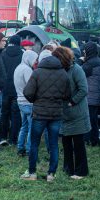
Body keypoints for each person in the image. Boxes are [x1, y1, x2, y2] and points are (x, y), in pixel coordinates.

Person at [21, 51, 71, 182]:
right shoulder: (63, 74)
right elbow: (67, 95)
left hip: (39, 114)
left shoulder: (37, 73)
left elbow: (27, 92)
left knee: (34, 144)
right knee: (54, 144)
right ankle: (51, 174)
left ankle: (32, 173)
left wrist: (35, 101)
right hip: (56, 115)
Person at [53, 47, 91, 180]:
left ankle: (81, 171)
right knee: (66, 143)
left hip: (77, 113)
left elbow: (83, 89)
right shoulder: (60, 70)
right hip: (65, 114)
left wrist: (72, 102)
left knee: (78, 144)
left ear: (62, 59)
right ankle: (68, 168)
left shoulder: (76, 70)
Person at [0, 35, 23, 147]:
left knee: (4, 113)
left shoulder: (3, 53)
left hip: (5, 89)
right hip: (17, 89)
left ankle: (2, 136)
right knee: (16, 115)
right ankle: (13, 139)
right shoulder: (22, 54)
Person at [14, 50, 38, 157]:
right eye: (35, 60)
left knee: (24, 126)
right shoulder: (27, 70)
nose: (36, 62)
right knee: (31, 128)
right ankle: (29, 150)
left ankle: (20, 148)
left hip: (20, 101)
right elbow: (31, 87)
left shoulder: (18, 68)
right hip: (28, 102)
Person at [82, 42, 100, 147]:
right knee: (93, 120)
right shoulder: (96, 60)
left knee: (88, 120)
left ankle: (87, 140)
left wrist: (80, 60)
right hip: (95, 96)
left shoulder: (90, 63)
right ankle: (95, 140)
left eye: (85, 50)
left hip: (90, 96)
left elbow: (80, 72)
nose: (84, 52)